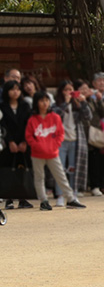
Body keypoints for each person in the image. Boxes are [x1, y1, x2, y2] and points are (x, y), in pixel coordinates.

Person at [26, 93, 85, 210]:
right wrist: (37, 146)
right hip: (37, 153)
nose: (45, 103)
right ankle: (43, 200)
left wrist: (55, 146)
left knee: (61, 175)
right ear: (36, 103)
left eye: (47, 100)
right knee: (39, 177)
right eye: (42, 101)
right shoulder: (32, 120)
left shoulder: (55, 117)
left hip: (52, 153)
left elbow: (60, 134)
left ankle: (70, 198)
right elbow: (29, 136)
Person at [53, 79, 92, 204]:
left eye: (71, 90)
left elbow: (88, 117)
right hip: (60, 141)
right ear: (61, 92)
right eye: (66, 90)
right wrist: (66, 103)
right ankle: (60, 195)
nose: (69, 92)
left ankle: (73, 194)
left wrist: (83, 102)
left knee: (73, 169)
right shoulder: (56, 104)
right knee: (60, 169)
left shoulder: (77, 105)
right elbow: (55, 115)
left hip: (76, 140)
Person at [1, 80, 34, 209]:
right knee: (8, 170)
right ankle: (9, 199)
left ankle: (23, 198)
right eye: (12, 89)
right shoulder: (2, 106)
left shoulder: (25, 105)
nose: (15, 92)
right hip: (8, 144)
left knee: (23, 169)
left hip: (23, 143)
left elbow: (28, 124)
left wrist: (24, 141)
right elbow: (3, 125)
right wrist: (10, 141)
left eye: (17, 89)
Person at [80, 81, 104, 196]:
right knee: (85, 161)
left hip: (95, 133)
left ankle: (97, 185)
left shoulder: (93, 99)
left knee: (97, 160)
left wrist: (100, 100)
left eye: (87, 89)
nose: (86, 91)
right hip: (82, 134)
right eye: (82, 89)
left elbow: (103, 113)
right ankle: (85, 185)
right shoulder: (76, 101)